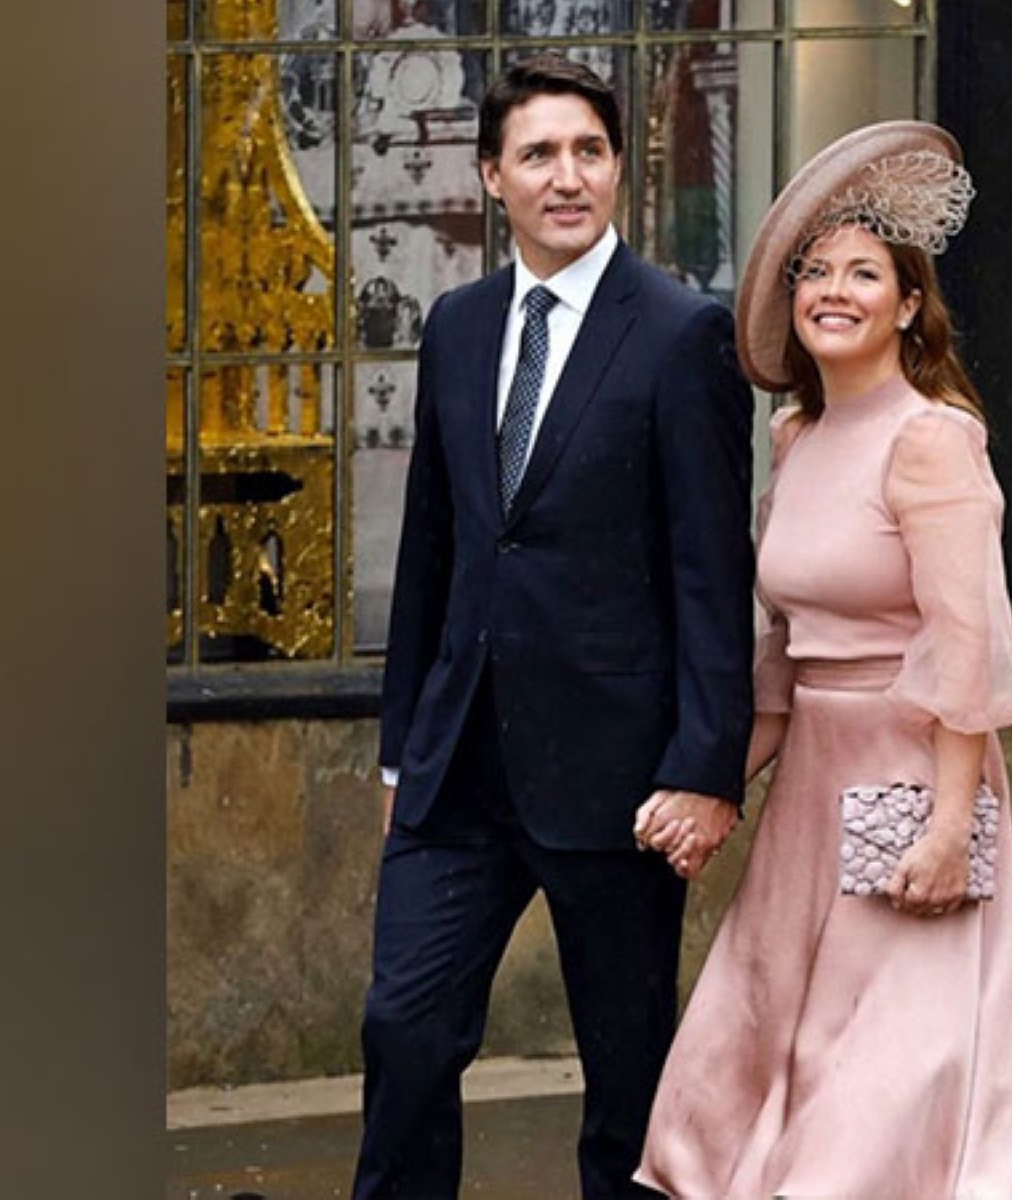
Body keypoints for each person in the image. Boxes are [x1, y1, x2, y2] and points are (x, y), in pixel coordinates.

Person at [354, 53, 756, 1199]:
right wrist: (401, 748)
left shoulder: (684, 335)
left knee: (626, 1082)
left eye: (589, 151)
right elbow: (430, 547)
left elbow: (710, 575)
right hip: (458, 769)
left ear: (619, 167)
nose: (566, 176)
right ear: (492, 177)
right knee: (405, 1032)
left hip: (618, 777)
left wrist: (703, 765)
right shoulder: (457, 327)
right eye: (537, 154)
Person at [634, 121, 1012, 1199]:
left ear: (909, 306)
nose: (831, 291)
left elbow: (967, 650)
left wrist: (951, 828)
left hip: (910, 784)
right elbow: (784, 654)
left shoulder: (933, 440)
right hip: (812, 788)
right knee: (764, 1042)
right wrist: (716, 788)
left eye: (863, 274)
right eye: (814, 273)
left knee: (877, 1079)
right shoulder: (795, 442)